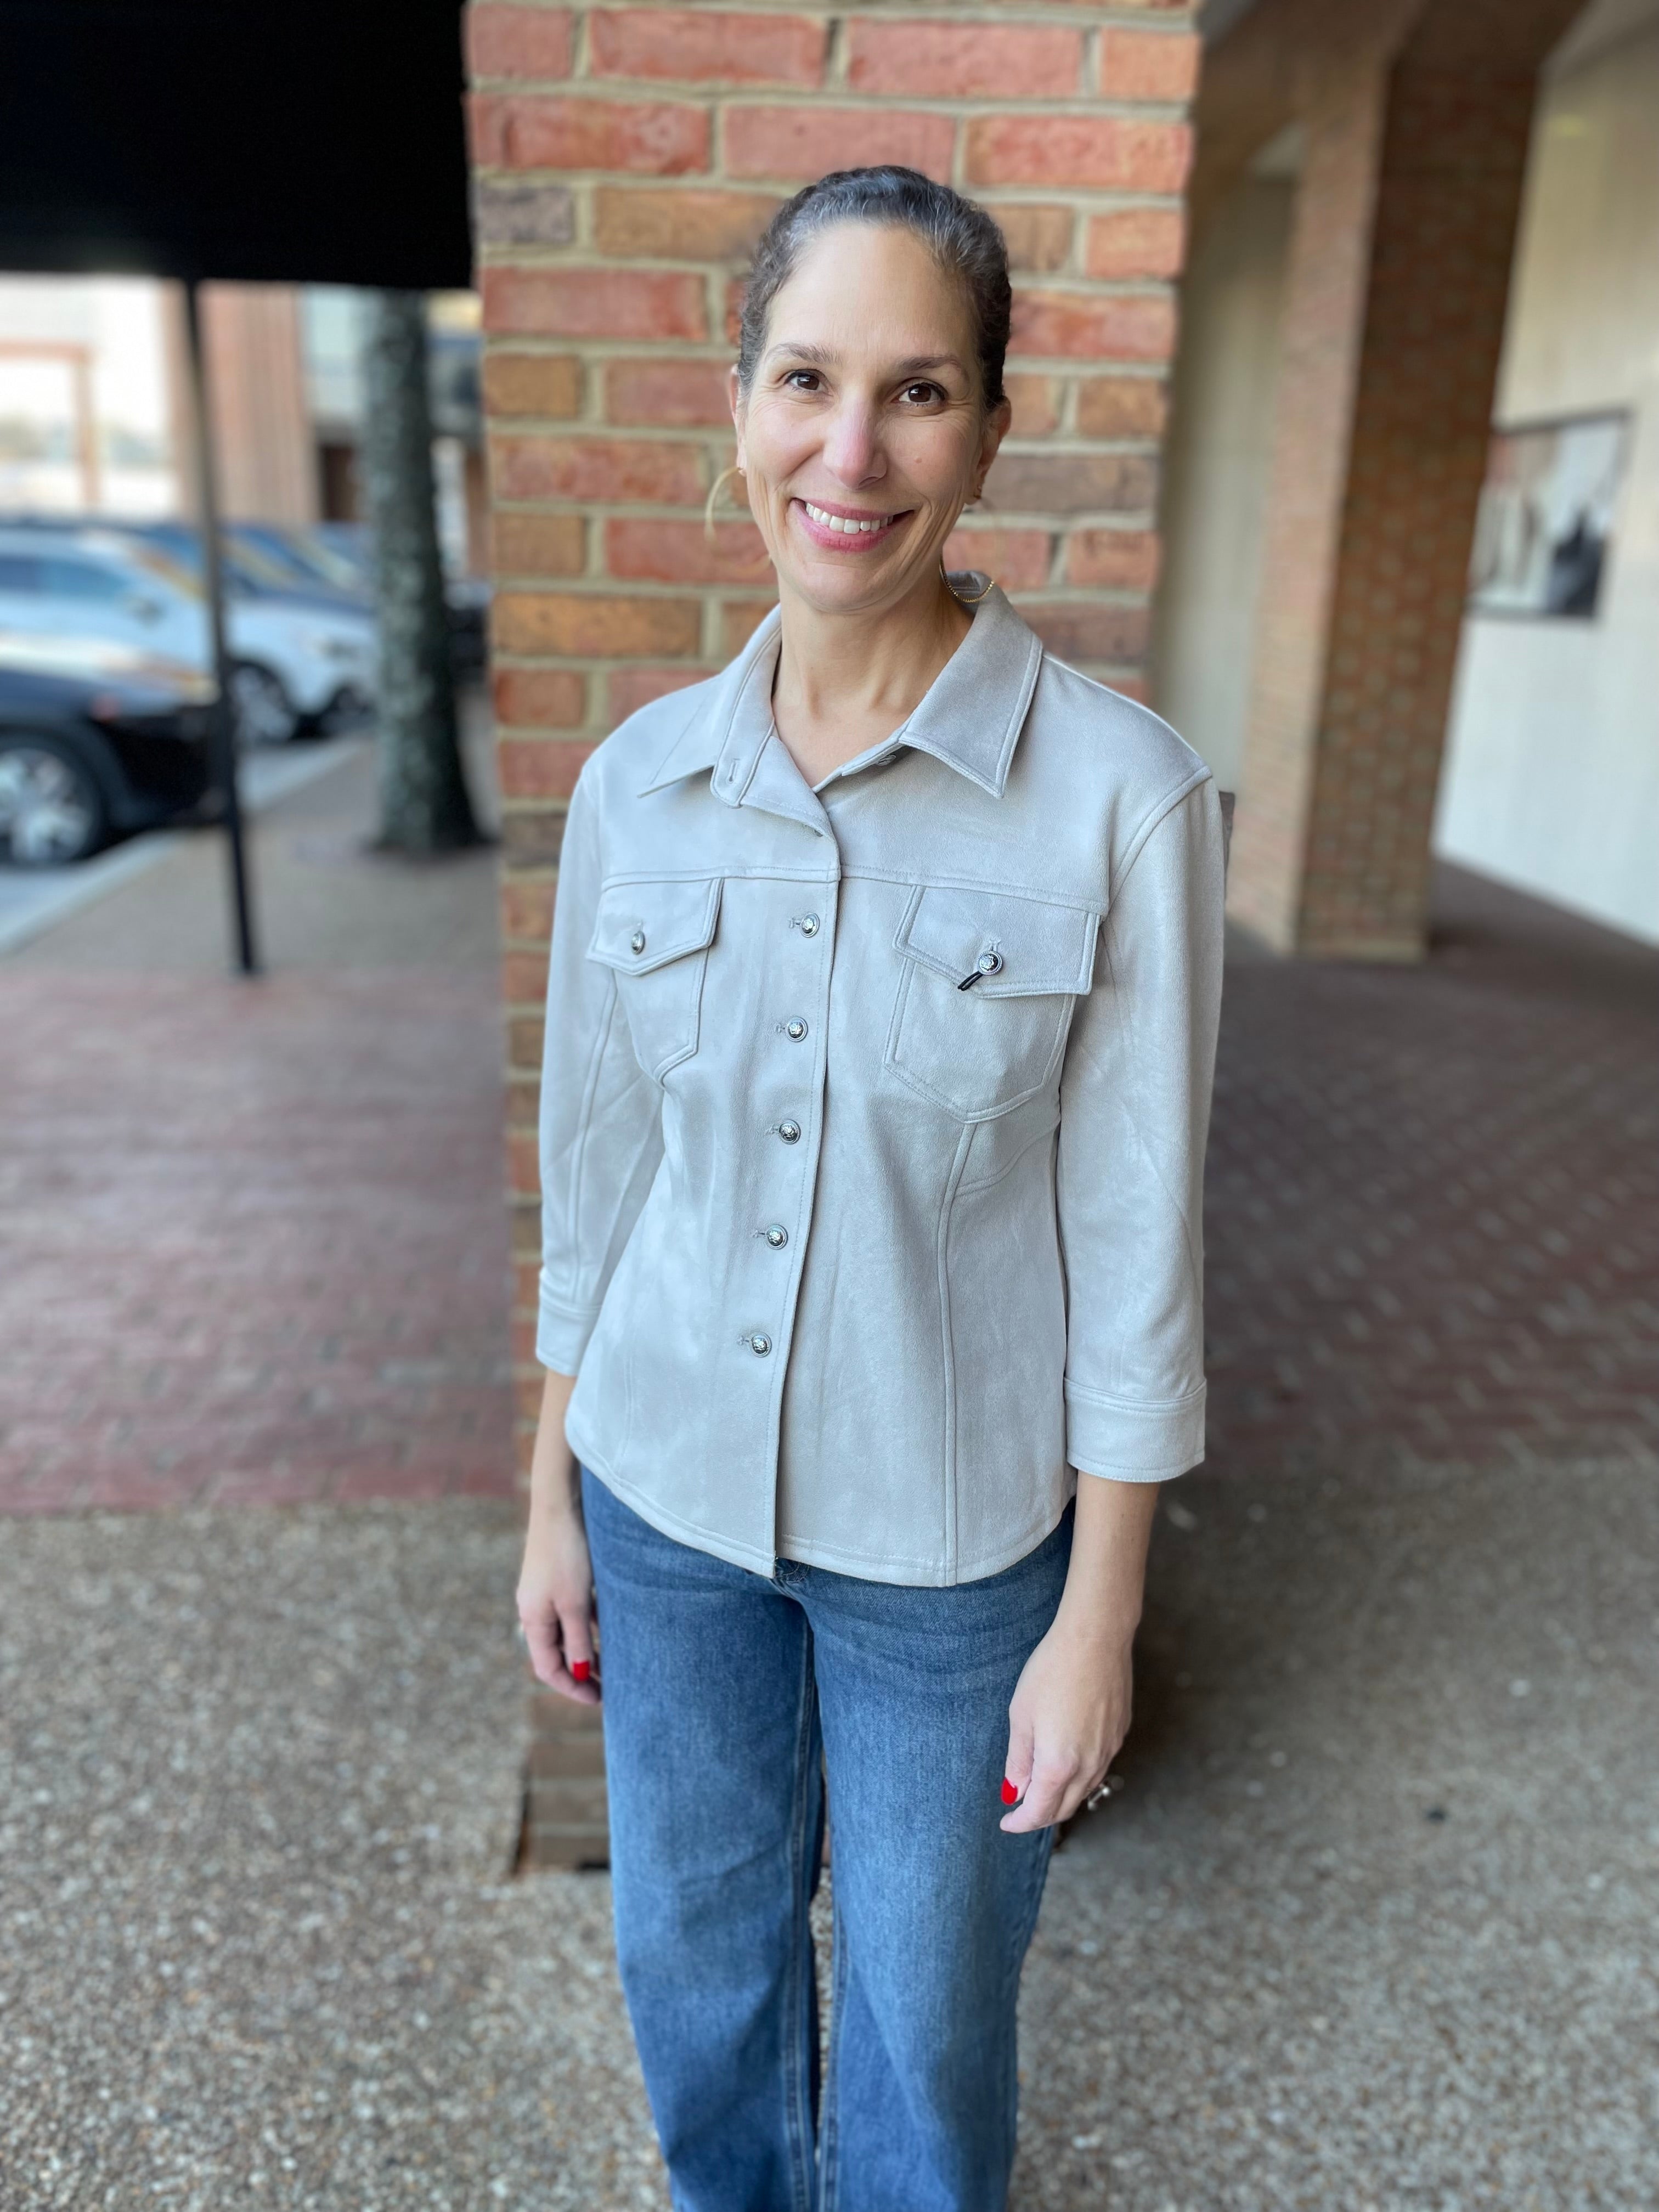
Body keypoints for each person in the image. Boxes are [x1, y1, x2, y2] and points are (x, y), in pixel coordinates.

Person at [516, 165, 1225, 2212]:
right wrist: (550, 1495)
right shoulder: (637, 785)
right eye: (808, 381)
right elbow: (599, 1178)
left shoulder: (1123, 798)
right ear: (738, 404)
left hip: (950, 1548)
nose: (853, 452)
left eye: (919, 391)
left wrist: (1100, 1619)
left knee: (928, 2019)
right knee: (694, 1966)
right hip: (662, 1508)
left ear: (991, 431)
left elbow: (1138, 1246)